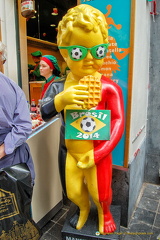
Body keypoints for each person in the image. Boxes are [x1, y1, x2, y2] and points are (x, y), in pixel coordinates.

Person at [41, 4, 124, 235]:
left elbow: (118, 121)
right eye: (78, 52)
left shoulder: (110, 88)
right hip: (70, 151)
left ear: (104, 49)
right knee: (73, 192)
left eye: (97, 51)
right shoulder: (58, 86)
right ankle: (83, 208)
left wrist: (100, 152)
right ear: (65, 53)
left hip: (97, 151)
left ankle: (104, 213)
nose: (89, 60)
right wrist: (62, 100)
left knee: (102, 192)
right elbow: (45, 113)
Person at [0, 41, 35, 184]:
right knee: (17, 202)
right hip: (11, 158)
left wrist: (2, 150)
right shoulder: (13, 87)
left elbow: (24, 126)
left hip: (11, 160)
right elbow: (24, 126)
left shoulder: (11, 87)